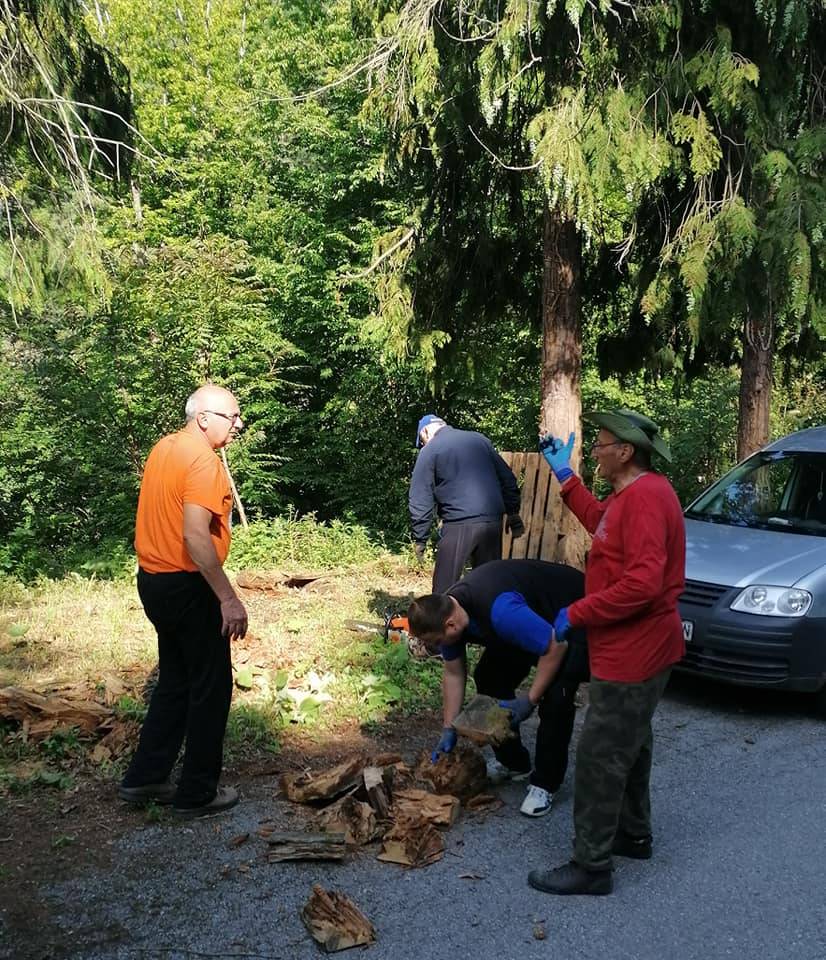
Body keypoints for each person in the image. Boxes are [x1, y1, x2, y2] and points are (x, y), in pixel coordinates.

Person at [527, 409, 685, 896]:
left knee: (599, 754)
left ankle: (592, 865)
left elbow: (643, 583)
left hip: (636, 651)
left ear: (625, 451)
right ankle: (632, 834)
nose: (594, 450)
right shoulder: (629, 495)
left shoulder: (647, 498)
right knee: (631, 743)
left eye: (599, 445)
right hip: (631, 648)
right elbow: (601, 522)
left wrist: (580, 611)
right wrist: (565, 475)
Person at [119, 384, 249, 818]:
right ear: (204, 418)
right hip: (187, 586)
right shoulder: (202, 461)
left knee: (175, 681)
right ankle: (197, 793)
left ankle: (146, 778)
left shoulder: (164, 448)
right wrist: (228, 599)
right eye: (233, 417)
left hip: (152, 581)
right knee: (211, 688)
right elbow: (195, 536)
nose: (239, 424)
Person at [407, 559, 589, 817]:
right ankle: (513, 762)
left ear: (451, 625)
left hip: (568, 616)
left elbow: (554, 646)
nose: (437, 647)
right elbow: (454, 673)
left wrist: (530, 699)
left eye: (437, 643)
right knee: (490, 678)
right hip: (529, 621)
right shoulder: (445, 615)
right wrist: (449, 727)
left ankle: (545, 784)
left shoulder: (501, 611)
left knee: (556, 695)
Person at [409, 414, 524, 592]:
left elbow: (420, 497)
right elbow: (507, 477)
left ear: (425, 431)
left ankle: (441, 618)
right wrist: (513, 511)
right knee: (489, 584)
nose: (423, 445)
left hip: (458, 523)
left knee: (444, 587)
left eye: (422, 441)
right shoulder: (479, 440)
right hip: (493, 522)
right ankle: (484, 619)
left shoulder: (430, 450)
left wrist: (420, 538)